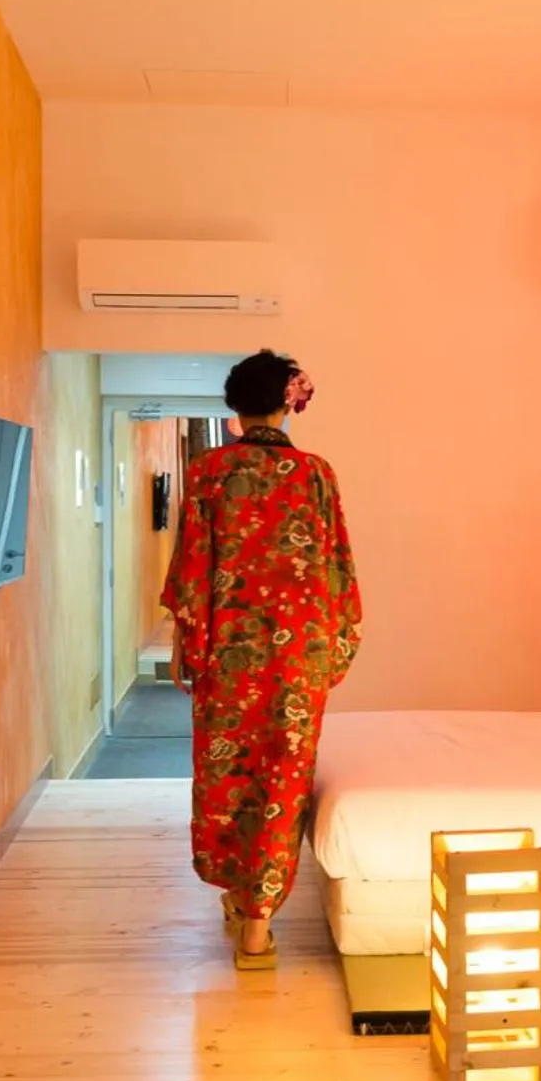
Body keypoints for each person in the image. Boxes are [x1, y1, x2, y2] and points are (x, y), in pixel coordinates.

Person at [162, 350, 362, 970]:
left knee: (228, 774)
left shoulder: (209, 472)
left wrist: (183, 644)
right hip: (298, 654)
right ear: (288, 402)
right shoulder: (317, 474)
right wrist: (332, 645)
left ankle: (234, 890)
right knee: (283, 780)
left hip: (229, 654)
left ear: (237, 407)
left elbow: (193, 566)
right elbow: (337, 570)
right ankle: (257, 925)